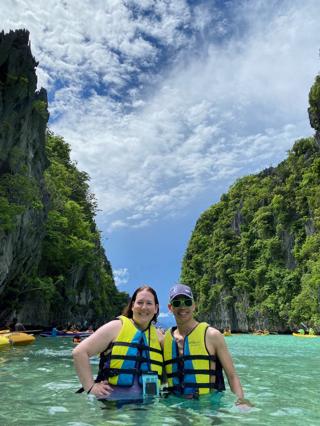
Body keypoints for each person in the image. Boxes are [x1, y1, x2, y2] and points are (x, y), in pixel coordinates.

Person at [164, 283, 252, 408]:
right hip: (177, 406)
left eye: (187, 302)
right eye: (177, 303)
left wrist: (241, 401)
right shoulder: (165, 340)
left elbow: (232, 376)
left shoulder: (212, 335)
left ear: (194, 305)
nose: (182, 307)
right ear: (170, 307)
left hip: (208, 405)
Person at [73, 285, 164, 401]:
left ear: (156, 308)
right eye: (140, 302)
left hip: (147, 409)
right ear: (132, 306)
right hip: (113, 406)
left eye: (149, 303)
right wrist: (91, 387)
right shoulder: (116, 327)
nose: (144, 307)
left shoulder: (160, 337)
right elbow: (79, 352)